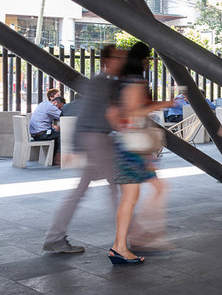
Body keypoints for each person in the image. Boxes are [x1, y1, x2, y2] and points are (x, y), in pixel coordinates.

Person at [42, 44, 125, 254]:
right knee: (117, 186)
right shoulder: (102, 83)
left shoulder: (103, 82)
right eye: (117, 57)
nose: (122, 61)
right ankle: (128, 238)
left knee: (88, 190)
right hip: (97, 140)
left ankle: (55, 237)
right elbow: (92, 115)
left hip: (96, 140)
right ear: (106, 61)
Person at [106, 42, 175, 265]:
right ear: (142, 60)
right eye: (147, 59)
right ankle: (124, 244)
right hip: (131, 149)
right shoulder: (135, 83)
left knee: (146, 192)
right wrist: (160, 104)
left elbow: (113, 115)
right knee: (132, 197)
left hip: (128, 146)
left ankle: (133, 239)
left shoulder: (121, 83)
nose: (149, 62)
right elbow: (135, 111)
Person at [29, 92, 65, 165]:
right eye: (60, 107)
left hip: (35, 134)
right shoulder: (51, 107)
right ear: (55, 103)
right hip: (41, 134)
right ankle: (56, 159)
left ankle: (52, 158)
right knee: (62, 135)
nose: (60, 109)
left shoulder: (43, 103)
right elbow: (62, 116)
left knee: (56, 133)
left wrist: (53, 126)